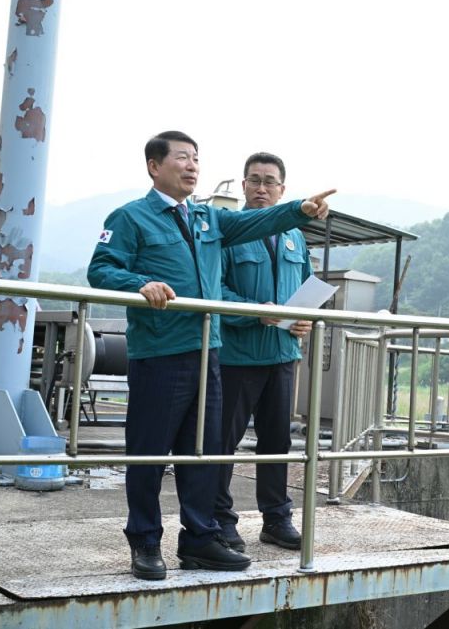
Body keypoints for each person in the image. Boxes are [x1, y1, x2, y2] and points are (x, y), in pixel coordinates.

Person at [87, 131, 334, 581]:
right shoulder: (131, 217)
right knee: (149, 453)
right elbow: (101, 268)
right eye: (182, 157)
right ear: (154, 166)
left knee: (202, 452)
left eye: (196, 159)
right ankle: (145, 541)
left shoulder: (208, 219)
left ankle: (200, 539)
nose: (192, 166)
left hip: (208, 353)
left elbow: (259, 222)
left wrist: (299, 209)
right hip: (161, 351)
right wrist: (139, 283)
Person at [213, 152, 313, 552]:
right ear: (243, 186)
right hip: (237, 356)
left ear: (282, 190)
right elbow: (214, 291)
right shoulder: (228, 232)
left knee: (277, 442)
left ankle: (276, 519)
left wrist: (304, 320)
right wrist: (255, 312)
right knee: (223, 442)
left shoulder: (295, 235)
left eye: (269, 181)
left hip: (283, 355)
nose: (261, 188)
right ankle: (219, 521)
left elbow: (305, 287)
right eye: (254, 180)